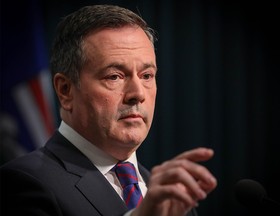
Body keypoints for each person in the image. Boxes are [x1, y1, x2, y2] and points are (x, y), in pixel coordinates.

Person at [0, 5, 217, 216]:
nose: (137, 93)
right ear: (65, 91)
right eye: (114, 76)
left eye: (147, 76)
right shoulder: (23, 182)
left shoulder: (170, 197)